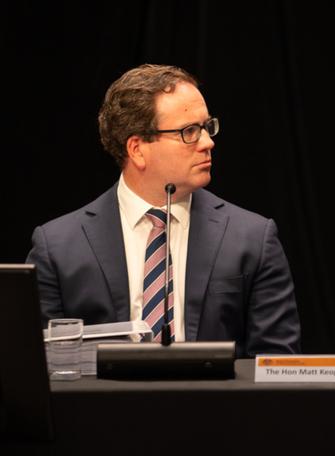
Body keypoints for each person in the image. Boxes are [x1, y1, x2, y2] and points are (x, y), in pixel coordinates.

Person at [27, 64, 301, 357]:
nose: (208, 143)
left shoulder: (253, 239)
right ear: (137, 149)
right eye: (189, 132)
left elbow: (275, 367)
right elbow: (39, 370)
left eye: (207, 127)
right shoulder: (57, 248)